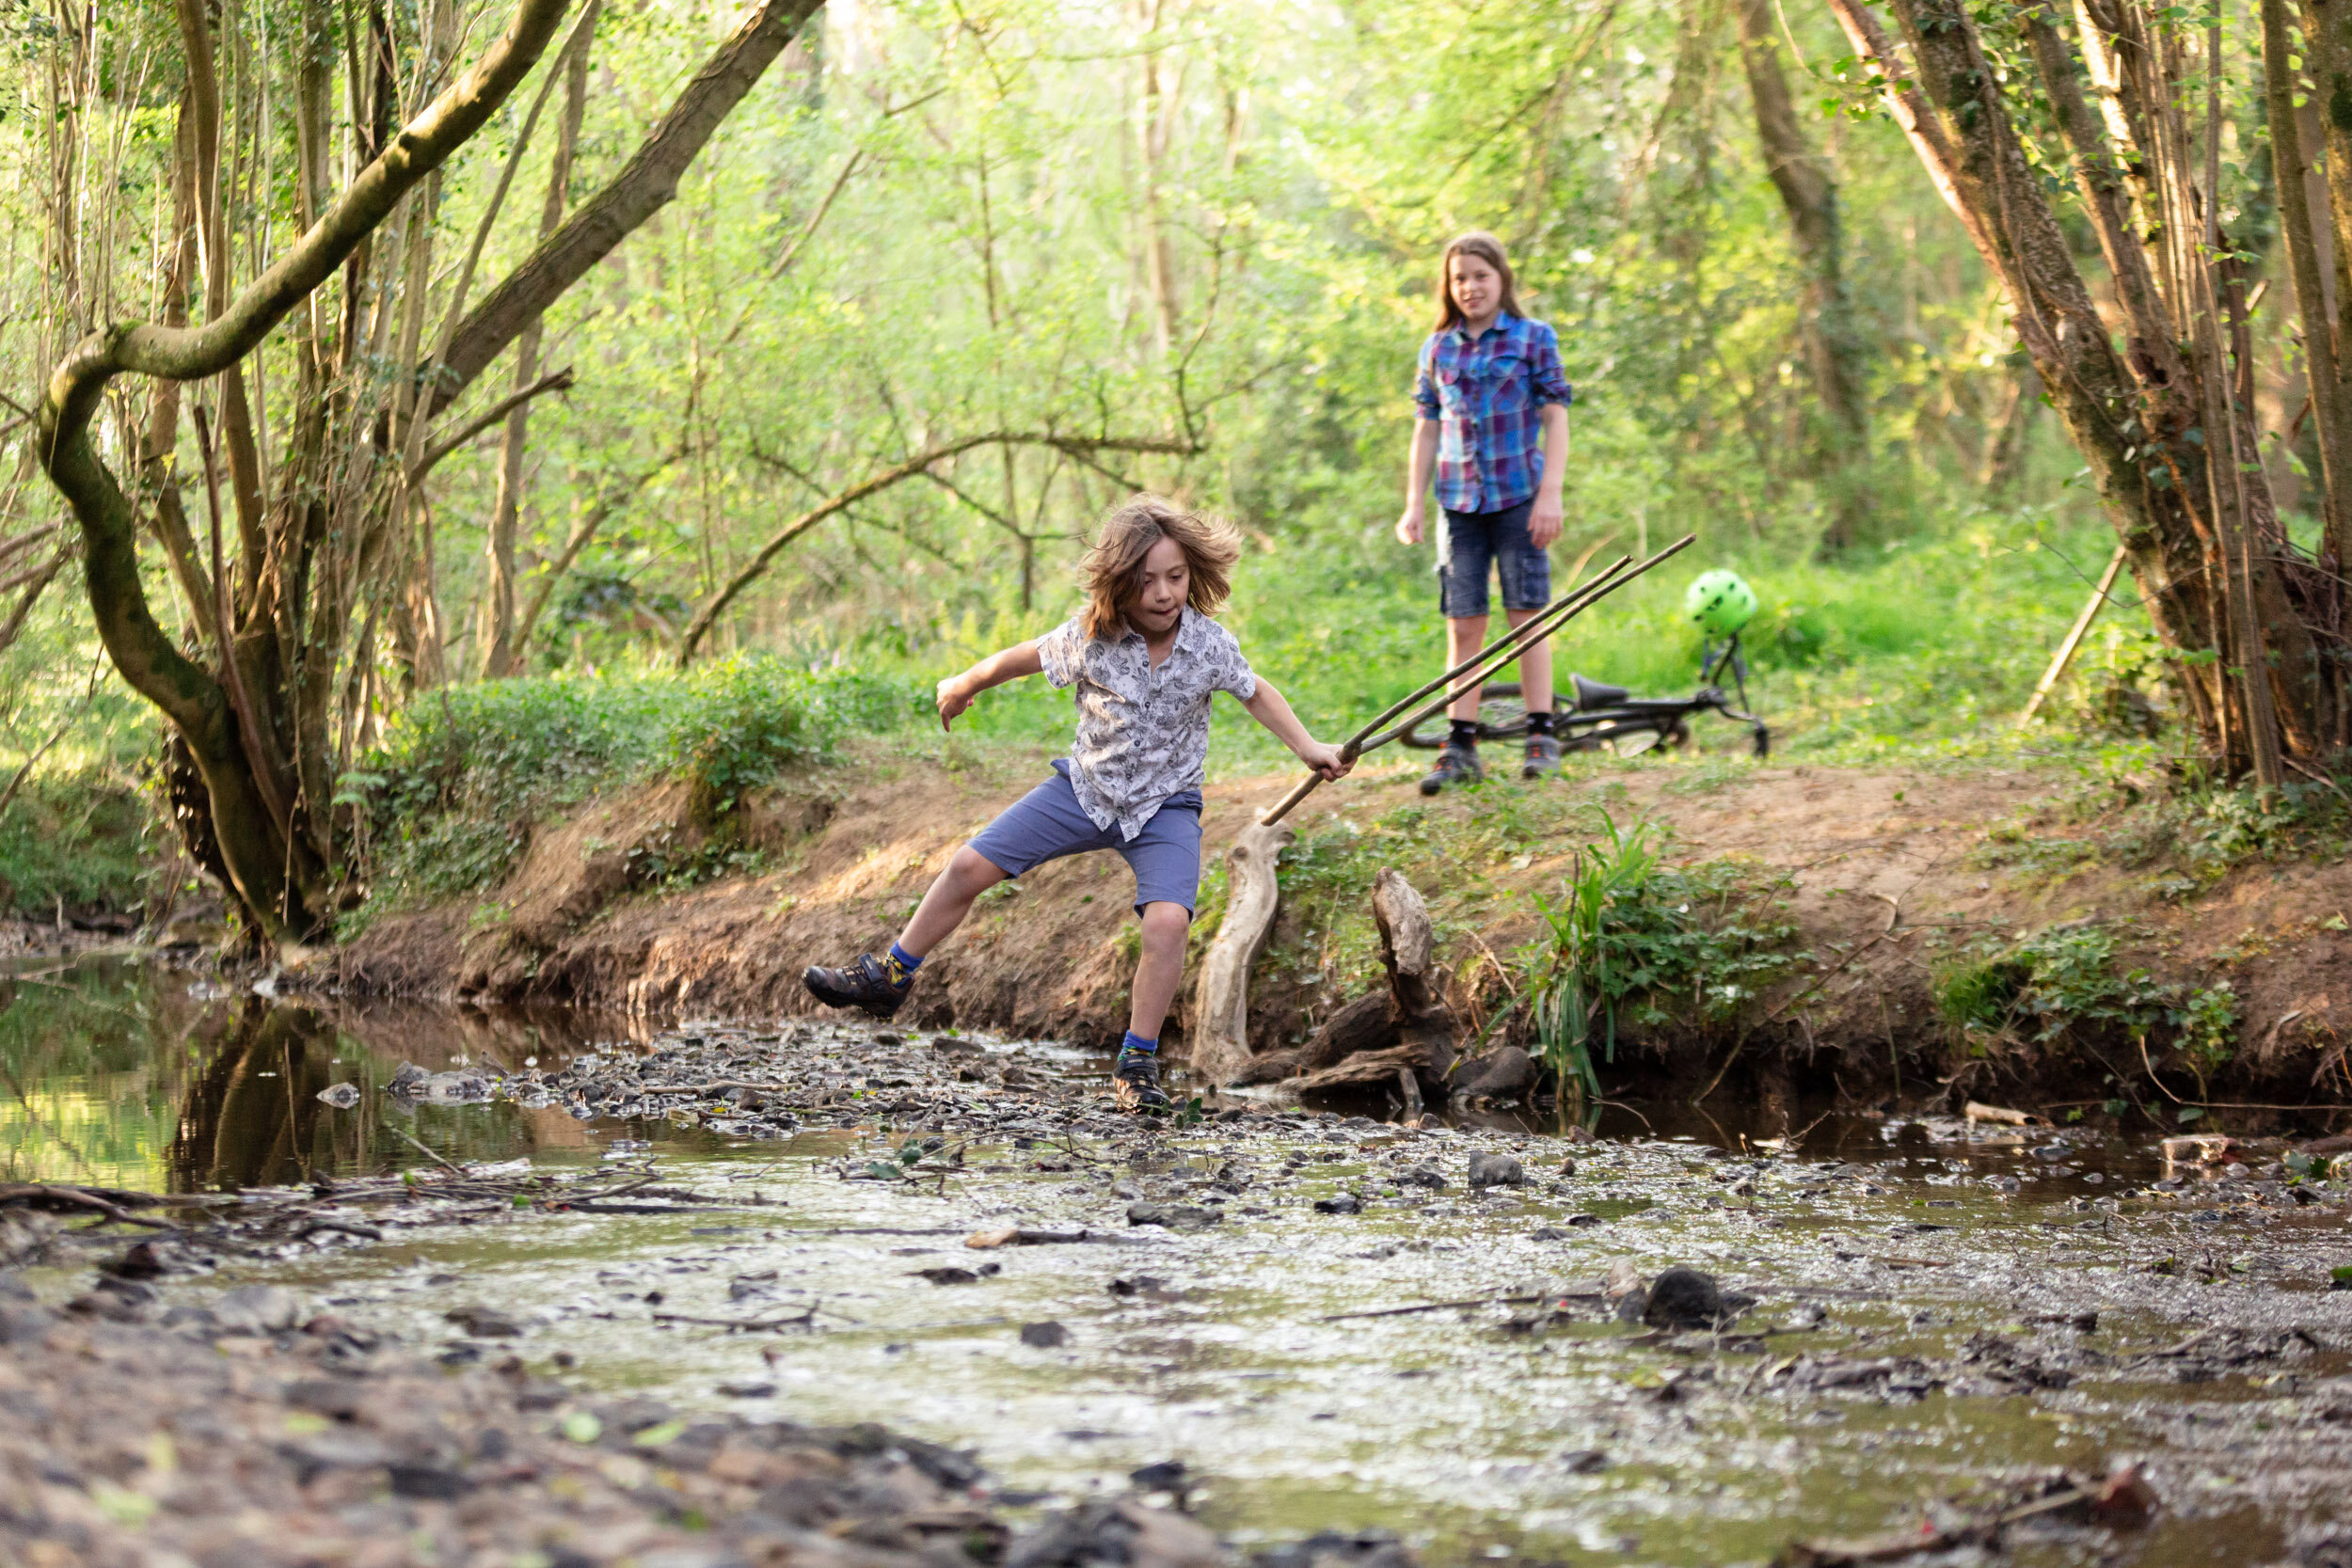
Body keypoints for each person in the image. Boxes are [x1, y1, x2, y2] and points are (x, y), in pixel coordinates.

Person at [803, 496, 1353, 1111]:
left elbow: (1257, 692)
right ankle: (891, 975)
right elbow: (1023, 657)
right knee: (966, 868)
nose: (1166, 593)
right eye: (1148, 581)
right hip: (1082, 792)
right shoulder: (1093, 636)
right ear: (1120, 582)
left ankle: (1136, 1061)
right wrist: (963, 683)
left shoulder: (1209, 645)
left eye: (1176, 577)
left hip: (1164, 808)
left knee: (1168, 921)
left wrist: (1309, 747)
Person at [1394, 230, 1574, 794]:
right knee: (1465, 621)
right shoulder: (1438, 348)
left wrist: (1551, 494)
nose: (1470, 287)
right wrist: (1413, 505)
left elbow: (1557, 418)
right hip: (1459, 504)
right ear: (1449, 288)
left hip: (1521, 497)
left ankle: (1541, 733)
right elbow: (1426, 429)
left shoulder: (1532, 338)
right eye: (1460, 278)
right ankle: (1459, 743)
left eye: (1481, 275)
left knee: (1526, 615)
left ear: (1502, 279)